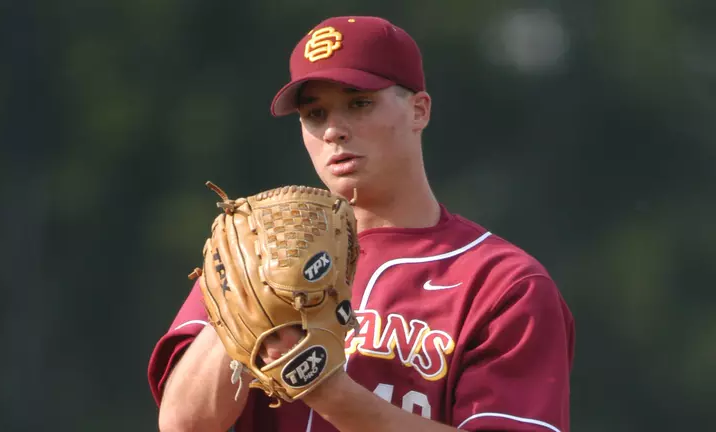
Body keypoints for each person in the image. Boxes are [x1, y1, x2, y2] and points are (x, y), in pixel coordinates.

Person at [148, 15, 575, 432]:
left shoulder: (502, 284)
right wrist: (241, 318)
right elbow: (182, 423)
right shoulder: (249, 253)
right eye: (315, 114)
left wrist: (323, 387)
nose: (334, 129)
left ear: (419, 111)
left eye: (359, 103)